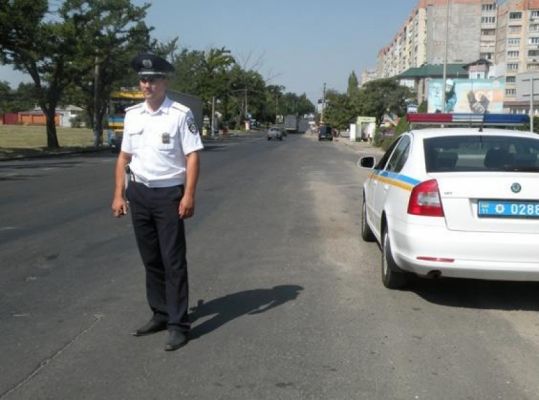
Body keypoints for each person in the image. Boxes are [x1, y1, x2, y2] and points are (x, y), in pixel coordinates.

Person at [111, 53, 204, 351]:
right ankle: (161, 313)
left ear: (164, 81)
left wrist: (189, 194)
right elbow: (124, 157)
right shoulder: (132, 114)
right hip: (139, 193)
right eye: (143, 80)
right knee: (150, 259)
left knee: (173, 261)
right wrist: (118, 194)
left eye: (152, 80)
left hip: (168, 195)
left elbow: (192, 156)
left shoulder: (179, 114)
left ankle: (178, 324)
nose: (146, 85)